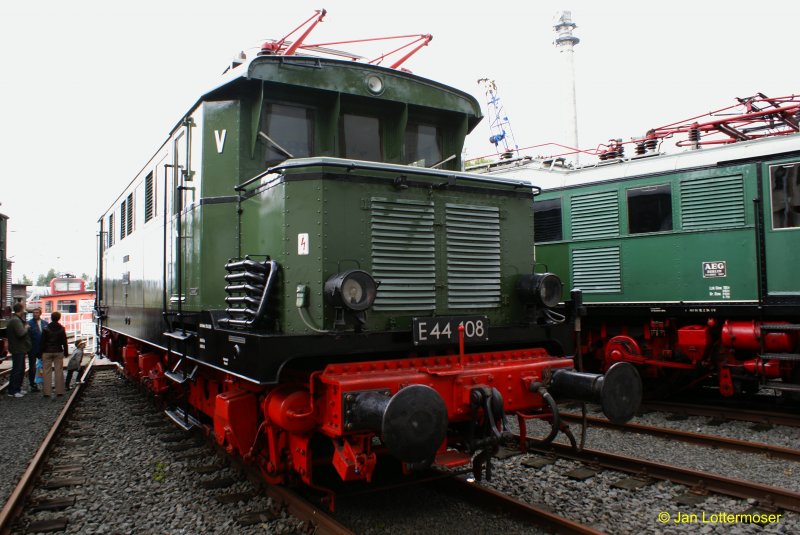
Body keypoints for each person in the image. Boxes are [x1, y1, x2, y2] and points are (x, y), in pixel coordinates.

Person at [40, 311, 68, 399]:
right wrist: (66, 352)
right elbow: (64, 341)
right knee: (59, 371)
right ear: (59, 318)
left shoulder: (45, 328)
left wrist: (40, 352)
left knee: (46, 372)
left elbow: (42, 342)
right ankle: (59, 391)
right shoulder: (61, 328)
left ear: (51, 318)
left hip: (47, 352)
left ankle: (47, 392)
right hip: (58, 351)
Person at [6, 303, 31, 398]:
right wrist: (26, 328)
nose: (24, 311)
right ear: (21, 310)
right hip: (18, 349)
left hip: (19, 348)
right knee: (17, 369)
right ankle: (13, 390)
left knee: (20, 369)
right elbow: (21, 333)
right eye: (23, 309)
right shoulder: (16, 321)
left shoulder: (15, 319)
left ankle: (17, 389)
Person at [26, 308, 48, 392]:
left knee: (43, 366)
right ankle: (32, 384)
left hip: (43, 349)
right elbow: (27, 337)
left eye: (37, 312)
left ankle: (43, 382)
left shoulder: (45, 323)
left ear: (40, 313)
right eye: (34, 313)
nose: (35, 314)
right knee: (32, 367)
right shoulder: (29, 324)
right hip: (32, 349)